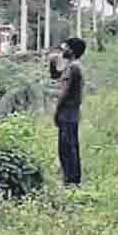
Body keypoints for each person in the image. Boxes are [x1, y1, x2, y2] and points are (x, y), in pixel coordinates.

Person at [49, 37, 87, 185]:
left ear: (71, 50)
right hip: (71, 114)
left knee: (67, 150)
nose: (62, 49)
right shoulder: (72, 66)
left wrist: (56, 112)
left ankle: (71, 182)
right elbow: (56, 76)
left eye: (65, 47)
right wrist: (52, 63)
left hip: (67, 114)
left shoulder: (73, 68)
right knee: (70, 148)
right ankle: (72, 180)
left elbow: (64, 92)